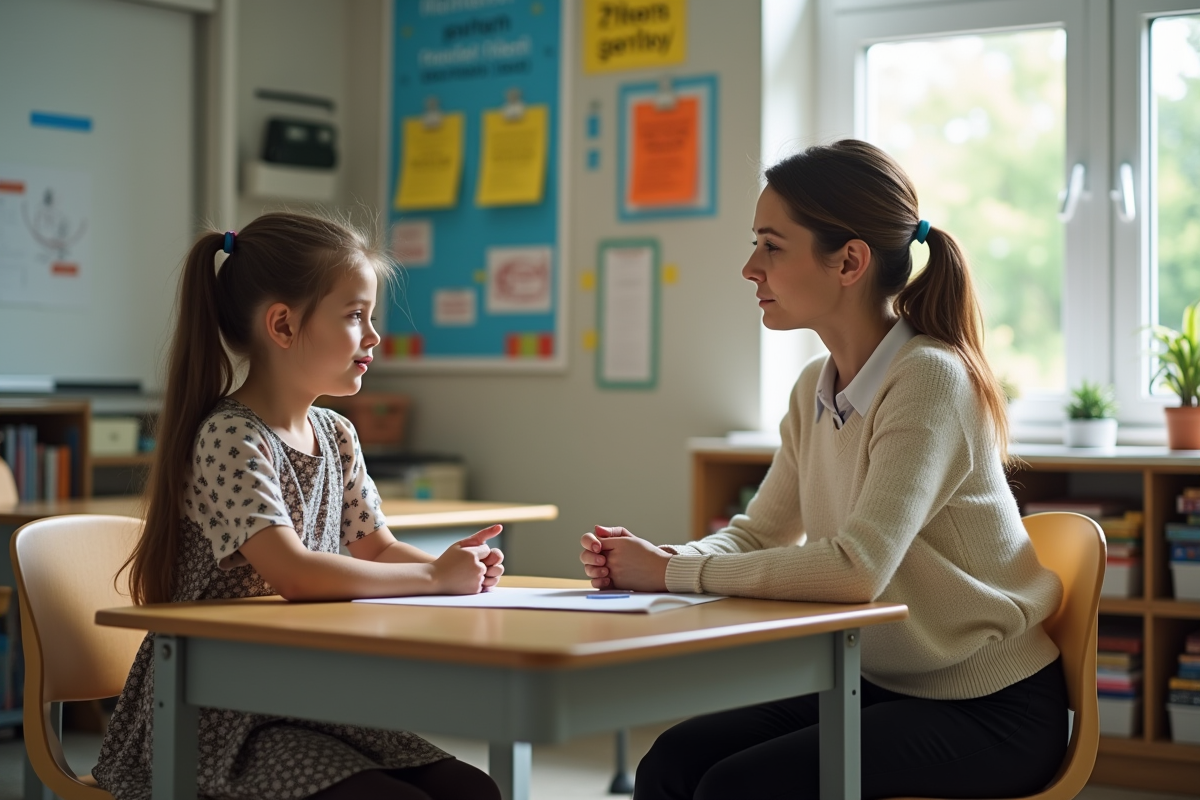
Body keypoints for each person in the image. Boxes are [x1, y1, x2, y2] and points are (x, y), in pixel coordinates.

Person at [579, 140, 1068, 800]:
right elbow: (757, 533)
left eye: (772, 246)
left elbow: (856, 570)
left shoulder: (928, 379)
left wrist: (669, 572)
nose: (750, 267)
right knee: (673, 760)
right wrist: (665, 557)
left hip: (989, 707)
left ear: (849, 261)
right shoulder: (816, 385)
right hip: (879, 685)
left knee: (738, 788)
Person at [95, 212, 503, 800]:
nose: (374, 336)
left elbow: (379, 548)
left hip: (301, 694)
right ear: (283, 326)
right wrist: (436, 577)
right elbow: (292, 572)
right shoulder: (231, 437)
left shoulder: (336, 434)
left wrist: (452, 566)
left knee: (472, 790)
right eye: (354, 316)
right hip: (215, 712)